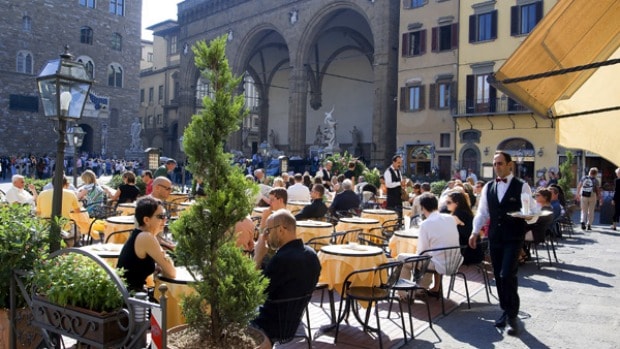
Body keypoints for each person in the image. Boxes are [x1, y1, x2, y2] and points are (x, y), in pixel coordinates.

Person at [469, 151, 537, 336]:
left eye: (500, 163)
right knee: (498, 276)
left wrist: (529, 216)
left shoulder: (522, 186)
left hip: (514, 237)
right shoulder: (488, 187)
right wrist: (475, 232)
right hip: (495, 237)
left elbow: (530, 212)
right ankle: (506, 310)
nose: (497, 167)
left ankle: (512, 314)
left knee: (507, 274)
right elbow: (482, 213)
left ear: (509, 165)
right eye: (495, 164)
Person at [251, 209, 321, 349]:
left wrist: (257, 257)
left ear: (281, 230)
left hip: (270, 323)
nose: (266, 236)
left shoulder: (282, 260)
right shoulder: (312, 255)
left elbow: (251, 292)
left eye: (268, 231)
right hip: (292, 321)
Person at [397, 193, 460, 297]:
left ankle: (404, 294)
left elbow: (422, 251)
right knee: (427, 258)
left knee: (402, 258)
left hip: (439, 263)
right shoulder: (449, 218)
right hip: (453, 261)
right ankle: (420, 288)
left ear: (422, 208)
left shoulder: (426, 224)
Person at [117, 197, 176, 293]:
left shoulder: (141, 234)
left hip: (130, 294)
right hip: (132, 300)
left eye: (166, 215)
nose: (165, 220)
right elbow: (171, 273)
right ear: (146, 220)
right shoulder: (146, 237)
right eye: (161, 216)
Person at [445, 190, 483, 265]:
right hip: (475, 251)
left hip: (466, 253)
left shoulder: (458, 215)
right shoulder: (466, 212)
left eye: (449, 202)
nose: (446, 205)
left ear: (457, 203)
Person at [384, 155, 405, 219]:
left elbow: (400, 182)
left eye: (401, 163)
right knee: (391, 217)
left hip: (398, 199)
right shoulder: (388, 171)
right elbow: (388, 185)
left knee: (400, 217)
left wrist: (403, 185)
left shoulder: (399, 171)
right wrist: (399, 183)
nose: (400, 165)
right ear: (393, 162)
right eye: (398, 163)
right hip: (391, 199)